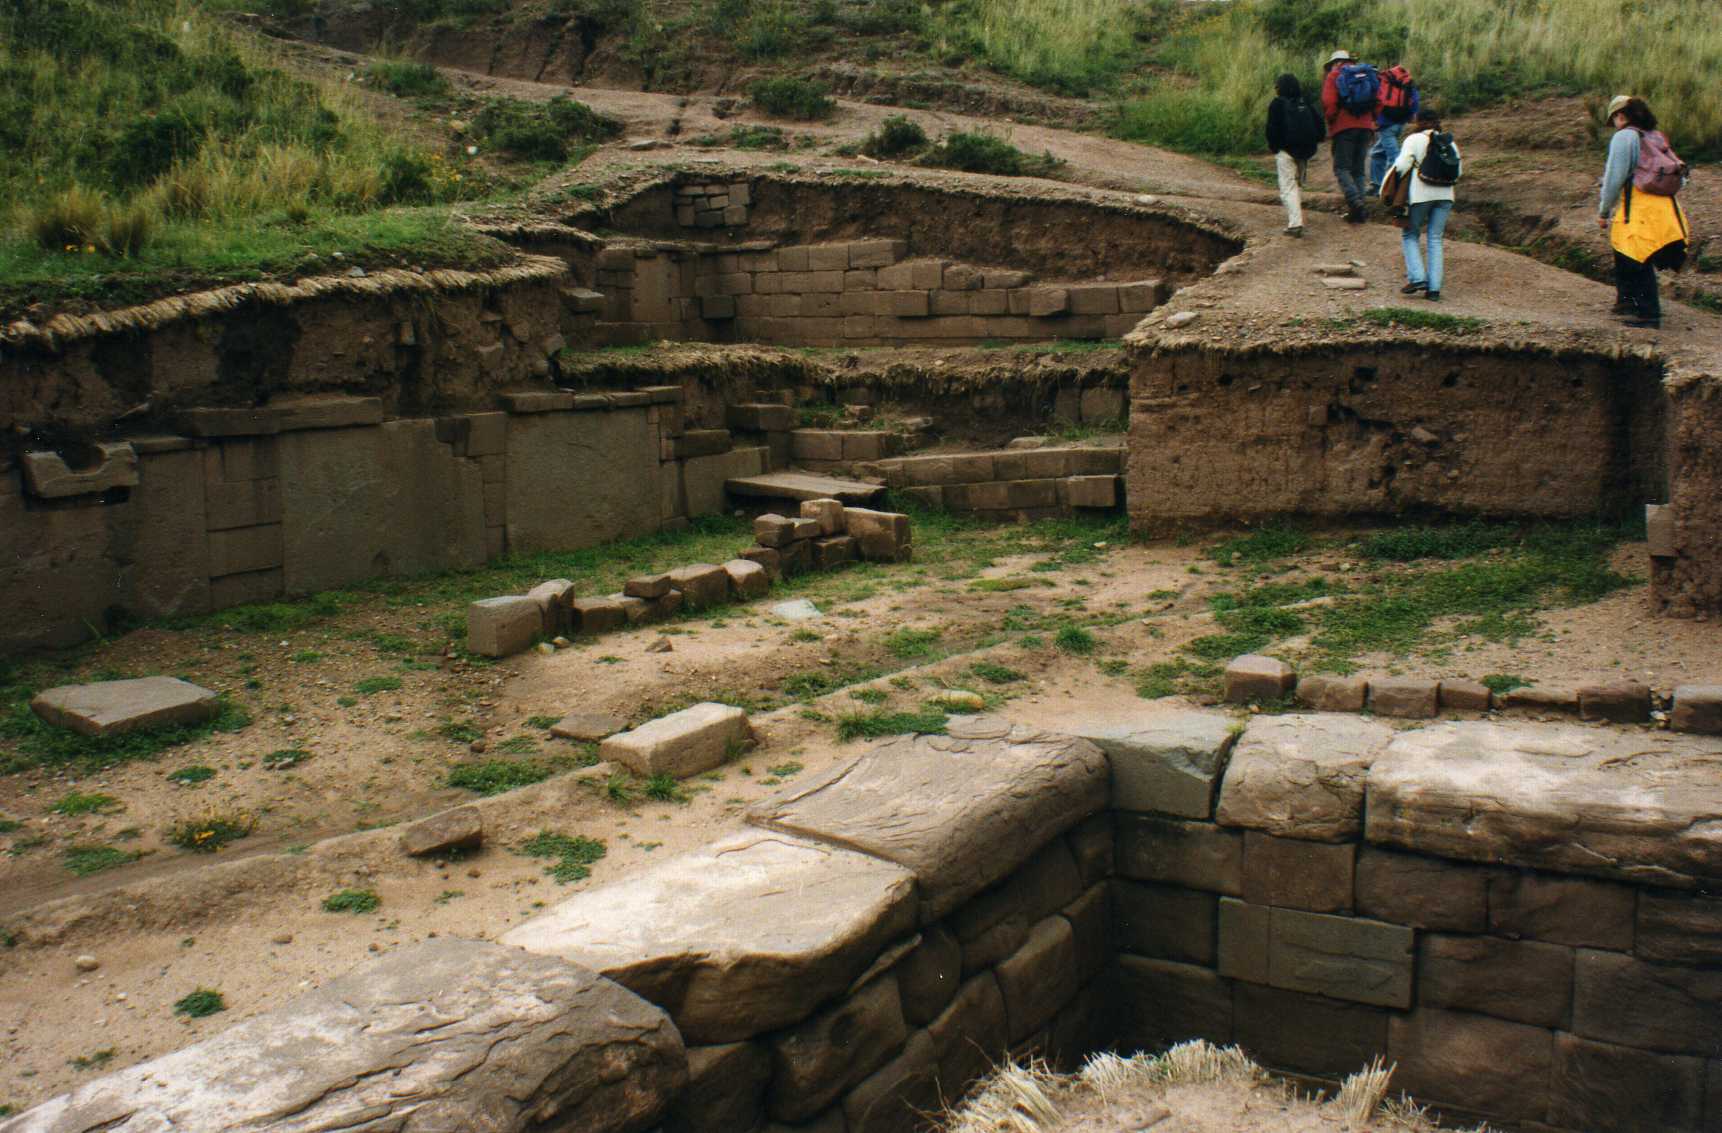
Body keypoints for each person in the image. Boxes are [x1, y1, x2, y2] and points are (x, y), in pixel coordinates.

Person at [1599, 94, 1689, 330]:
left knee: (1635, 257)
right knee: (1624, 249)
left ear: (1620, 116)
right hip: (1666, 207)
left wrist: (1603, 210)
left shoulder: (1625, 138)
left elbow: (1614, 178)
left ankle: (1648, 314)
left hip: (1639, 207)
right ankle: (1626, 302)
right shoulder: (1655, 136)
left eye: (1615, 119)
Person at [1389, 107, 1462, 301]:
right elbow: (1459, 170)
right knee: (1435, 238)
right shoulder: (1449, 142)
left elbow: (1402, 165)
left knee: (1410, 234)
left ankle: (1418, 277)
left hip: (1420, 195)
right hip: (1446, 195)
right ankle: (1434, 289)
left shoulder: (1413, 139)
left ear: (1417, 121)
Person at [1321, 49, 1378, 222]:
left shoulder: (1334, 76)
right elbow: (1379, 100)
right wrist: (1372, 120)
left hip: (1344, 127)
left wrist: (1332, 121)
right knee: (1358, 170)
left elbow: (1328, 102)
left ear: (1335, 62)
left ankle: (1355, 202)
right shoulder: (1367, 74)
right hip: (1366, 126)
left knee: (1341, 168)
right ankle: (1359, 211)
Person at [1266, 73, 1324, 237]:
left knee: (1288, 187)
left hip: (1286, 150)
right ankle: (1296, 219)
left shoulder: (1277, 104)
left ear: (1280, 88)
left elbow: (1271, 129)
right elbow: (1320, 127)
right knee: (1297, 185)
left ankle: (1295, 224)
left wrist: (1275, 147)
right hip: (1305, 151)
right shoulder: (1305, 102)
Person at [1368, 64, 1419, 195]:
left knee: (1395, 158)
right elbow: (1415, 98)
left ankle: (1396, 190)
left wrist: (1375, 120)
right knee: (1377, 153)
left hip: (1386, 126)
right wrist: (1412, 114)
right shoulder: (1403, 82)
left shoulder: (1381, 82)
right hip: (1400, 123)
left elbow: (1376, 102)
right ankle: (1377, 185)